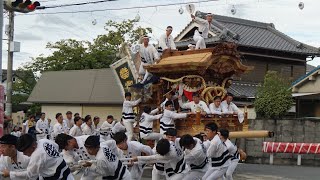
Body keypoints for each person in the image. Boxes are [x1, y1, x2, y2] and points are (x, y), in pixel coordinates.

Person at [3, 134, 74, 179]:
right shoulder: (44, 141)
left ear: (33, 146)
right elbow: (56, 146)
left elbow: (30, 175)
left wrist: (10, 173)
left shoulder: (36, 156)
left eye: (25, 151)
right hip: (64, 169)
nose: (24, 154)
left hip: (57, 176)